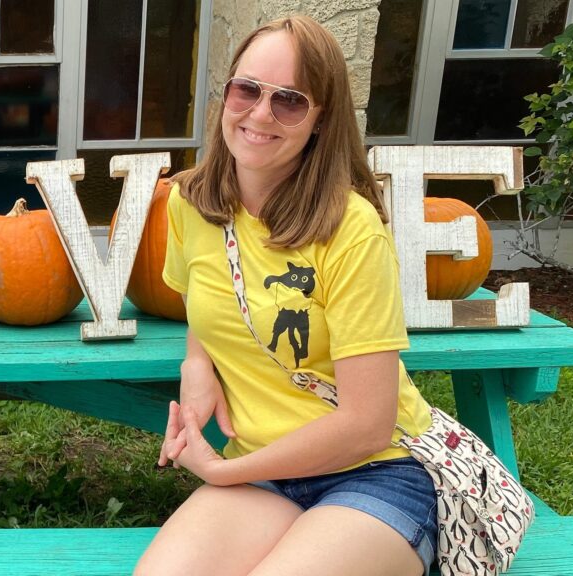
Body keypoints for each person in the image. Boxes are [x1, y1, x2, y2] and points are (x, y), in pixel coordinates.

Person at [134, 15, 437, 576]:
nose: (259, 114)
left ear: (321, 120)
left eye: (290, 101)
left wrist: (223, 472)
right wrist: (196, 364)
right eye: (246, 90)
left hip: (375, 469)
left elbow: (368, 424)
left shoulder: (351, 228)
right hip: (264, 469)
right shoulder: (189, 202)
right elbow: (212, 299)